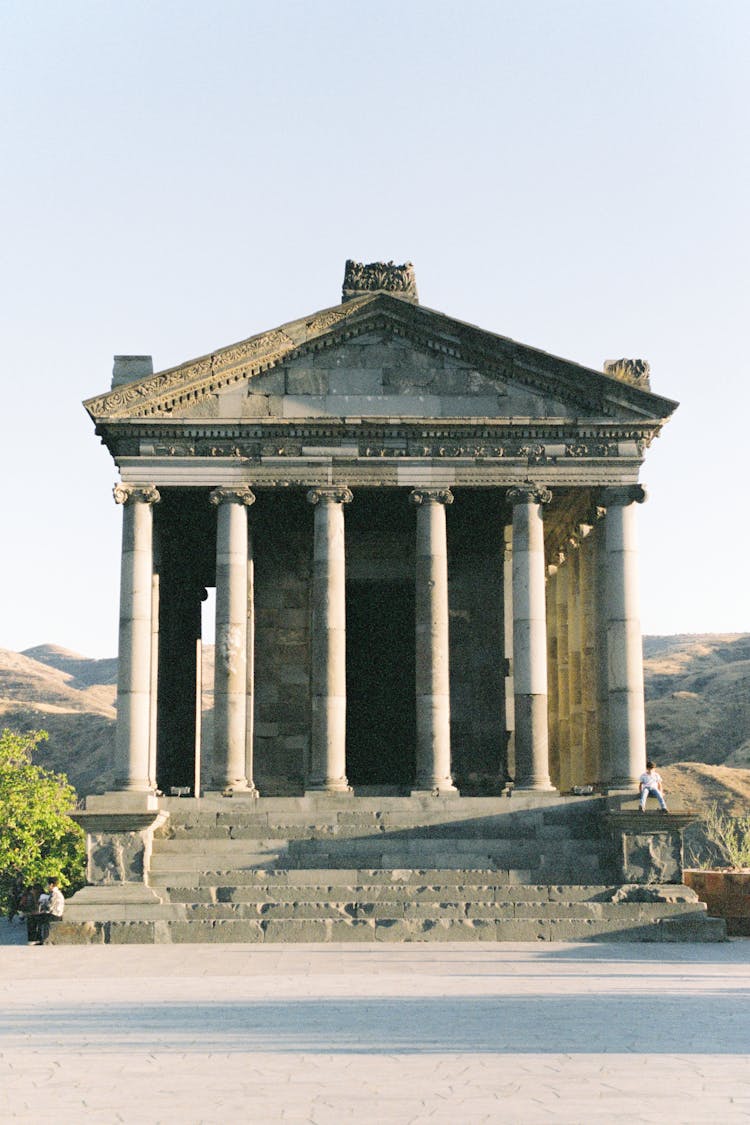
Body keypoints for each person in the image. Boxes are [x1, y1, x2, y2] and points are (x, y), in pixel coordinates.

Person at [28, 878, 64, 945]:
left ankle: (34, 939)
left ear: (51, 885)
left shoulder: (55, 894)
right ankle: (39, 939)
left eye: (47, 884)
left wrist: (39, 912)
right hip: (54, 914)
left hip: (55, 915)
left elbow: (49, 908)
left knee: (32, 918)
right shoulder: (55, 893)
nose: (47, 886)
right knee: (36, 917)